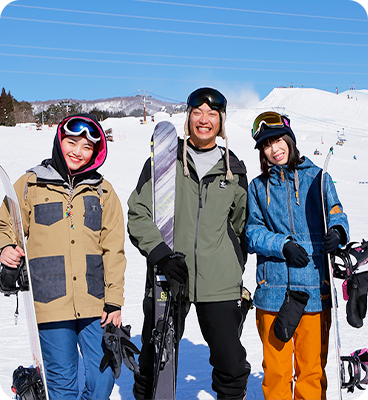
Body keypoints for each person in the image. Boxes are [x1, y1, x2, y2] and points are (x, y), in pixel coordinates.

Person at [128, 87, 251, 400]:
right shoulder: (164, 161)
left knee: (232, 365)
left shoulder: (233, 169)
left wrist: (234, 265)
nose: (204, 120)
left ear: (221, 122)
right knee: (153, 362)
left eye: (212, 114)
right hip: (169, 277)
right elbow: (138, 213)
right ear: (188, 118)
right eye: (198, 112)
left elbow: (239, 226)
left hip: (220, 283)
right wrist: (161, 255)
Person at [0, 114, 126, 399]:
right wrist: (6, 246)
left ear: (95, 152)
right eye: (71, 142)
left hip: (95, 303)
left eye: (86, 147)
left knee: (102, 379)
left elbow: (114, 249)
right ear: (59, 141)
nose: (77, 152)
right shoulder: (32, 184)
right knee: (63, 382)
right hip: (50, 301)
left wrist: (115, 299)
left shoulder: (103, 191)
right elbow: (6, 223)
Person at [245, 111, 349, 400]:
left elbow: (337, 212)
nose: (274, 149)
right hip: (273, 293)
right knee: (277, 374)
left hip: (315, 291)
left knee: (312, 372)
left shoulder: (318, 178)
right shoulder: (257, 187)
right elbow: (251, 232)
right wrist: (282, 244)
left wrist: (339, 232)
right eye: (266, 145)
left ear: (290, 140)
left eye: (278, 140)